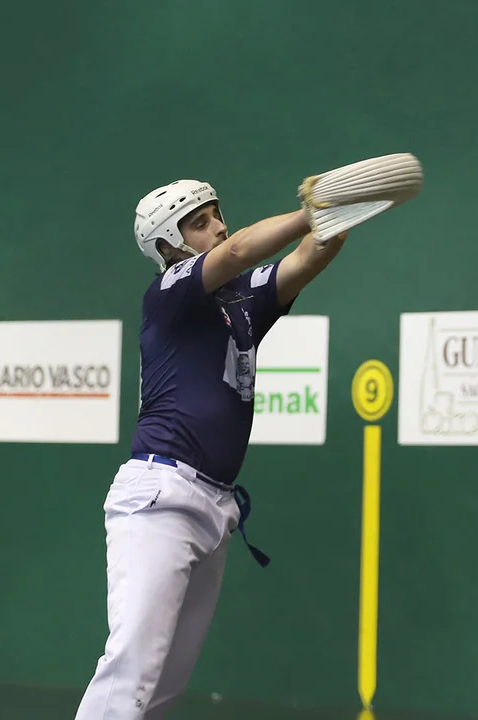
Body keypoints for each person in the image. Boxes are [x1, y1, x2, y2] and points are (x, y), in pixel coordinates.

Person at [73, 178, 347, 720]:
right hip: (160, 498)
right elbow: (241, 249)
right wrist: (307, 212)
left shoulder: (241, 300)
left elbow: (308, 258)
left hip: (214, 508)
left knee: (163, 687)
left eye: (217, 215)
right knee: (132, 670)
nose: (219, 227)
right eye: (200, 223)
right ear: (168, 246)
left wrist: (340, 211)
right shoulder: (170, 291)